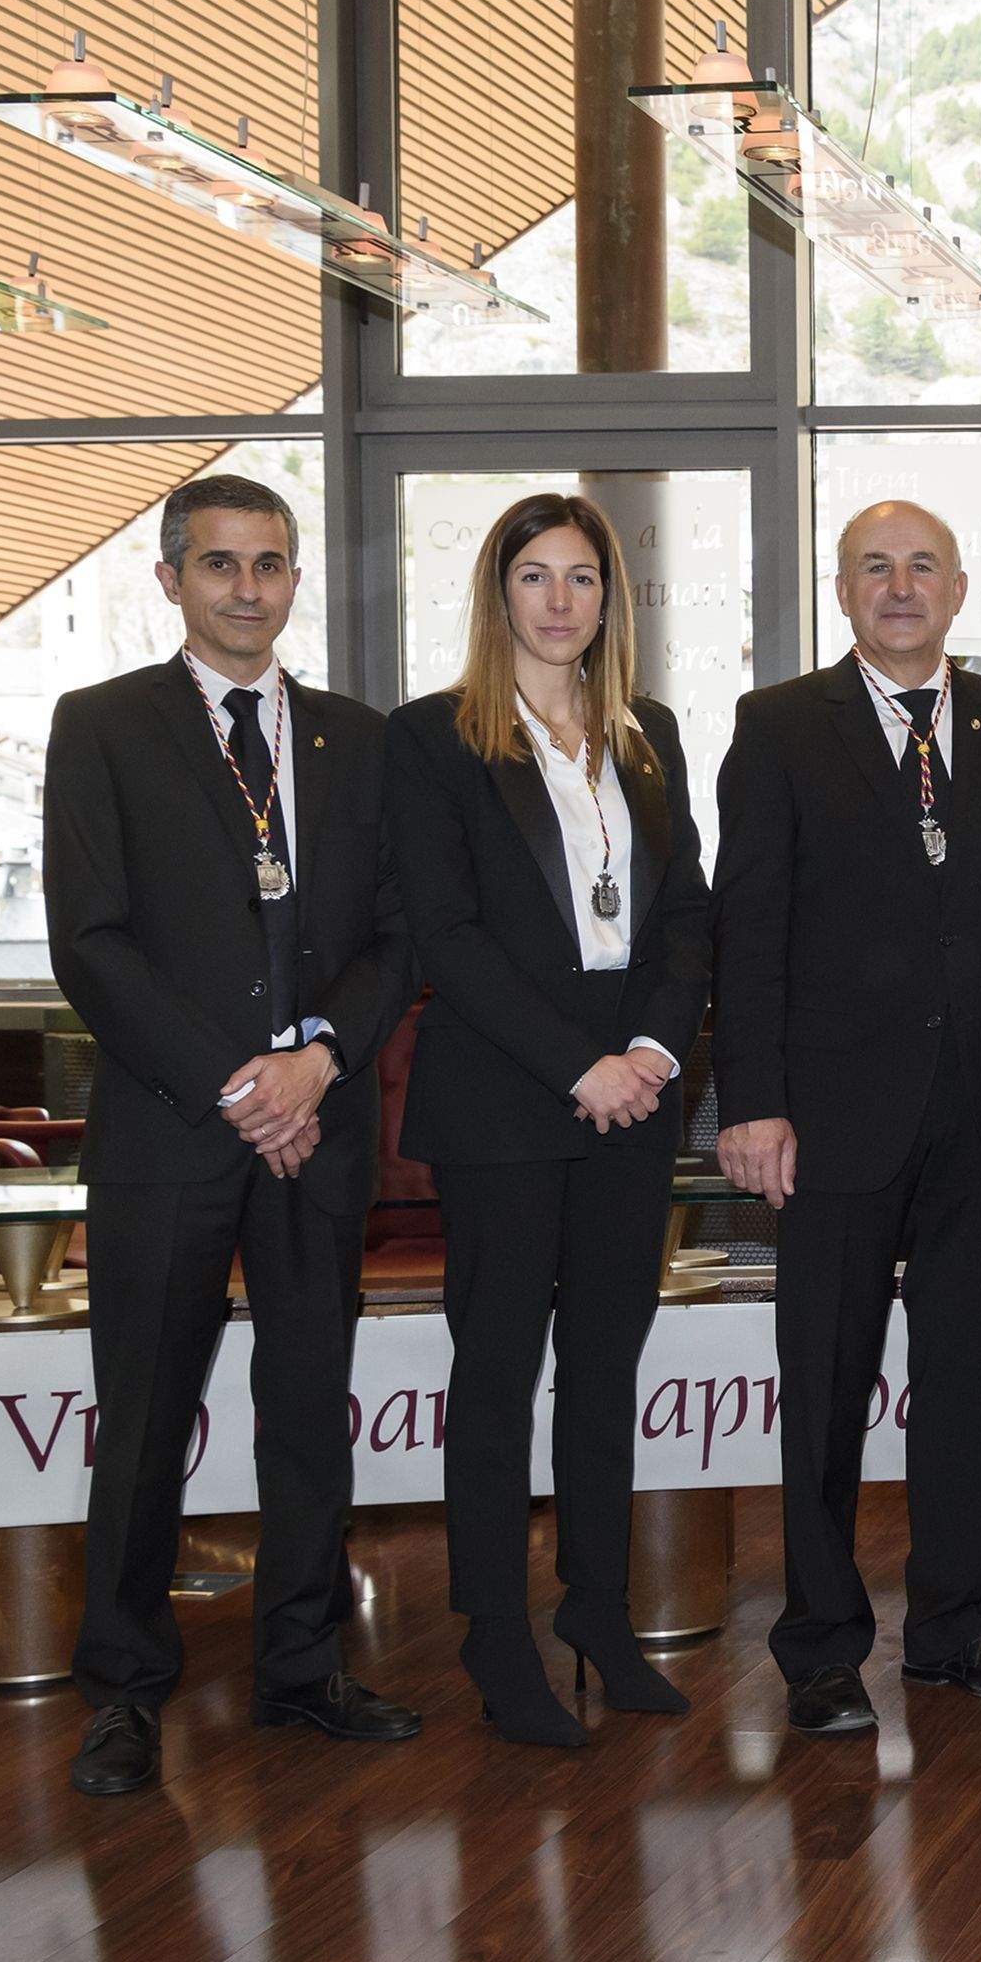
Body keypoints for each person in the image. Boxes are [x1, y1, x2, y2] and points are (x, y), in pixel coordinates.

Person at [46, 474, 419, 1797]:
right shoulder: (102, 727)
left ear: (295, 579)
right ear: (170, 580)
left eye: (269, 563)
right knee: (145, 1417)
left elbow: (392, 932)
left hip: (315, 1126)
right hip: (168, 1132)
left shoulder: (358, 741)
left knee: (307, 1405)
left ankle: (302, 1667)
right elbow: (88, 942)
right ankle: (126, 1689)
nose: (247, 586)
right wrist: (234, 1084)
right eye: (220, 564)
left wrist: (314, 1065)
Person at [711, 500, 981, 1737]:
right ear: (842, 590)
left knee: (968, 1381)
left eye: (924, 564)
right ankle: (820, 1645)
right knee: (822, 1383)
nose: (901, 586)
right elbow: (746, 931)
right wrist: (750, 1102)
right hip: (826, 1122)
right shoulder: (777, 729)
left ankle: (955, 1628)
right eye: (876, 566)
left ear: (961, 587)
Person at [384, 493, 713, 1746]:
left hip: (634, 1094)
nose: (561, 600)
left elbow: (685, 912)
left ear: (607, 599)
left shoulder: (649, 735)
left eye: (582, 577)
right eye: (536, 576)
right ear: (499, 594)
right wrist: (580, 1061)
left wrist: (647, 1051)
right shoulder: (436, 741)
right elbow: (446, 937)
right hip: (510, 1100)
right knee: (499, 1373)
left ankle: (596, 1609)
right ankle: (493, 1633)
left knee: (604, 1368)